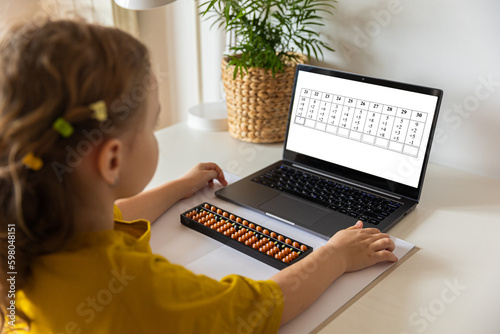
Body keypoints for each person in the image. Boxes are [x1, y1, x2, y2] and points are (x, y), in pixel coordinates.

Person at [0, 19, 397, 333]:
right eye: (152, 125)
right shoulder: (134, 289)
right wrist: (335, 255)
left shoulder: (26, 235)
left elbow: (117, 211)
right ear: (111, 161)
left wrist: (179, 186)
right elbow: (260, 308)